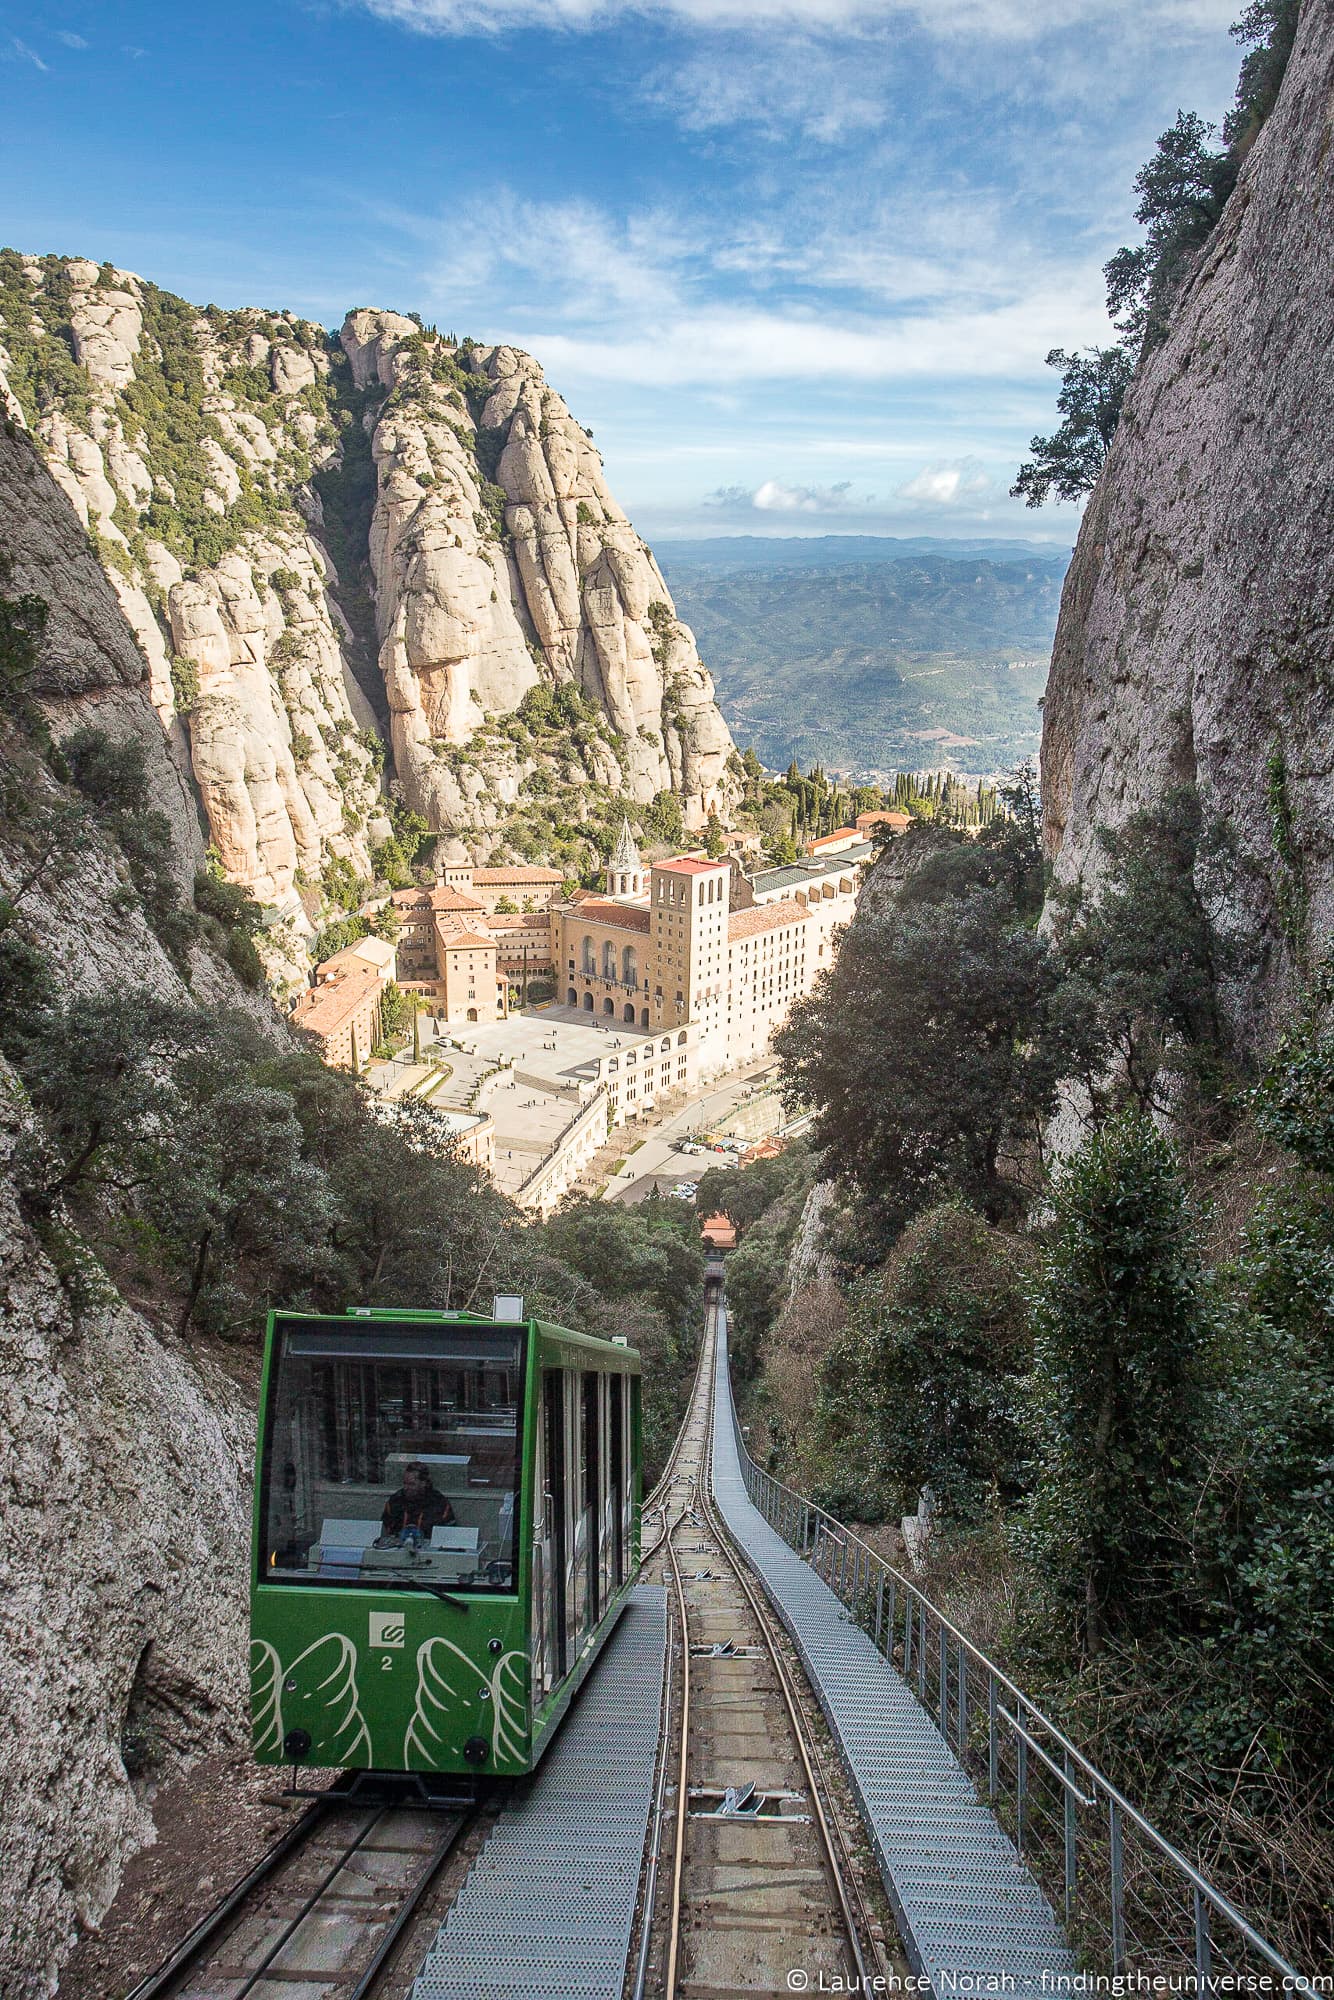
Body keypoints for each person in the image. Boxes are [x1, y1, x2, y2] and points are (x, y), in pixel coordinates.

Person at [380, 1461, 455, 1540]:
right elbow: (384, 1531)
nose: (406, 1488)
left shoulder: (439, 1503)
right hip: (397, 1547)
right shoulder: (395, 1501)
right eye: (405, 1483)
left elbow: (449, 1535)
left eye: (411, 1484)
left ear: (423, 1483)